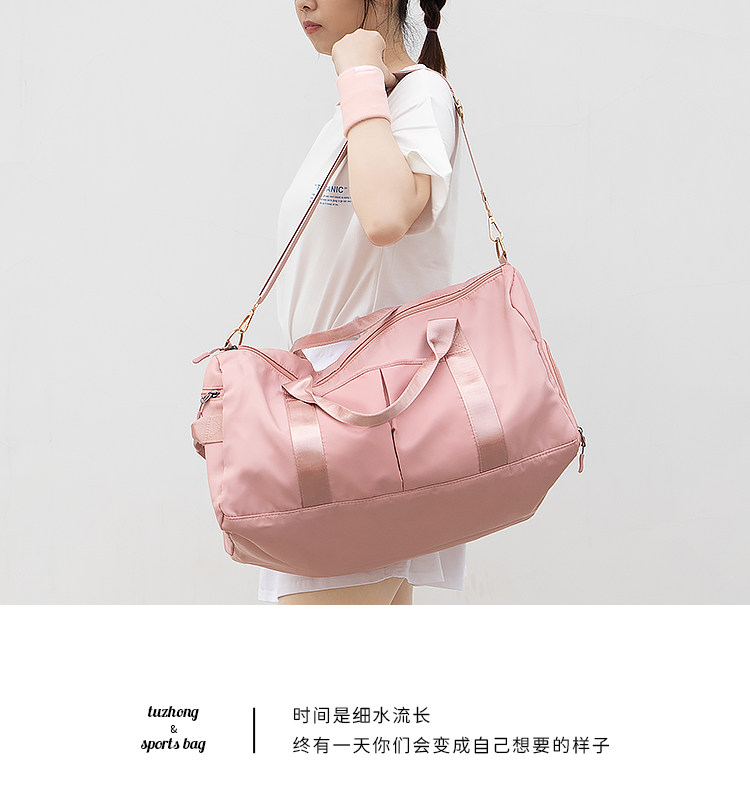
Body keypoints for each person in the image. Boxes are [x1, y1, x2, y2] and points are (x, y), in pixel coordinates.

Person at [258, 0, 465, 604]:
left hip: (363, 425)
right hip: (335, 416)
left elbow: (384, 217)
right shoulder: (363, 107)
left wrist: (358, 75)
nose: (303, 2)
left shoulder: (418, 95)